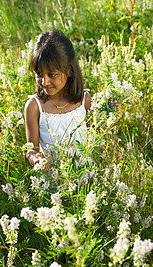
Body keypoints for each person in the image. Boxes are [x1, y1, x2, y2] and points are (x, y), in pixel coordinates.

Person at [24, 29, 122, 173]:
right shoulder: (34, 106)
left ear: (68, 70)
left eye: (52, 74)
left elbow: (93, 137)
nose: (45, 82)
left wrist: (110, 121)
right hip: (54, 184)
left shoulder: (84, 100)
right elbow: (31, 149)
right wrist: (36, 160)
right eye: (39, 74)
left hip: (86, 178)